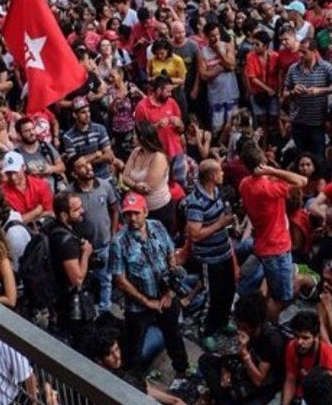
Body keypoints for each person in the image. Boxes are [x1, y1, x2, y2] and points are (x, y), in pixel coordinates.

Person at [111, 192, 190, 377]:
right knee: (134, 344)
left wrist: (170, 290)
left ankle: (183, 369)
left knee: (174, 334)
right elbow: (120, 279)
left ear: (145, 212)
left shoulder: (157, 227)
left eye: (136, 213)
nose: (132, 218)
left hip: (164, 297)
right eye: (128, 214)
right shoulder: (119, 242)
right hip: (138, 305)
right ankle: (134, 380)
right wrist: (146, 302)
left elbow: (171, 254)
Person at [238, 140, 307, 315]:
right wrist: (273, 171)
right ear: (262, 163)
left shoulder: (245, 184)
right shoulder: (268, 188)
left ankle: (264, 319)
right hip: (276, 247)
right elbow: (302, 181)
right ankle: (266, 324)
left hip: (263, 243)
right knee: (283, 297)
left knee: (268, 285)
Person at [183, 158, 238, 349]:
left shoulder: (217, 193)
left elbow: (224, 217)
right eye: (220, 172)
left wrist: (230, 225)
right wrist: (220, 224)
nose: (223, 174)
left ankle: (222, 321)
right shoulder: (196, 202)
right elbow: (195, 234)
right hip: (209, 257)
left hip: (223, 251)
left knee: (229, 289)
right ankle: (205, 329)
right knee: (212, 294)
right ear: (212, 176)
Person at [65, 153, 120, 312]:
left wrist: (113, 233)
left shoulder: (104, 185)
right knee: (85, 281)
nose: (88, 167)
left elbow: (114, 209)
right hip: (82, 248)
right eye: (81, 166)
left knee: (105, 280)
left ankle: (105, 310)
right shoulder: (70, 194)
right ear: (74, 173)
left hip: (103, 244)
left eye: (88, 163)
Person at [47, 191, 96, 344]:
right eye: (76, 210)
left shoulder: (54, 229)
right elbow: (77, 279)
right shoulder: (65, 242)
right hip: (71, 305)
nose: (82, 211)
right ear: (63, 216)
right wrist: (86, 253)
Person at [282, 37, 332, 158]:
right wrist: (293, 91)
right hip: (298, 122)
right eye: (299, 52)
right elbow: (284, 94)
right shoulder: (293, 69)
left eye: (304, 52)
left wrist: (321, 90)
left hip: (317, 124)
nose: (301, 55)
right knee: (302, 158)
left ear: (314, 52)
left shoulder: (325, 67)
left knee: (318, 158)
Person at [60, 96, 116, 182]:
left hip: (104, 176)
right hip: (84, 179)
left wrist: (85, 160)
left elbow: (109, 156)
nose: (87, 115)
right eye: (83, 112)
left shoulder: (100, 129)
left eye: (88, 111)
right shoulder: (68, 137)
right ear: (75, 115)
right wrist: (96, 154)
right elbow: (76, 164)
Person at [0, 151, 54, 224]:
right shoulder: (1, 192)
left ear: (23, 167)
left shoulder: (41, 184)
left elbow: (50, 213)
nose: (13, 177)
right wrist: (37, 211)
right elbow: (12, 222)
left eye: (15, 172)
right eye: (9, 173)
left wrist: (25, 218)